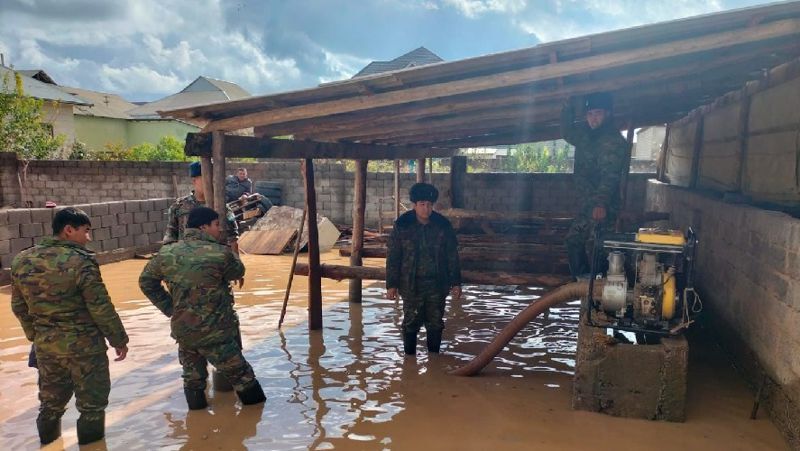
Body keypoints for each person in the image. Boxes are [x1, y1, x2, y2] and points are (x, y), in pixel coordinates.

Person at [11, 207, 129, 445]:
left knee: (50, 405)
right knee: (91, 407)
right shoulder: (82, 261)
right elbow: (100, 307)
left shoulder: (22, 260)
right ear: (68, 230)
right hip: (85, 349)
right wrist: (119, 340)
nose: (88, 238)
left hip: (47, 348)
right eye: (86, 231)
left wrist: (36, 335)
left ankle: (47, 444)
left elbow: (18, 306)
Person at [139, 207, 266, 409]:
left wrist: (171, 308)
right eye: (216, 225)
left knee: (193, 379)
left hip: (185, 332)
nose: (219, 230)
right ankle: (255, 423)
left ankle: (196, 424)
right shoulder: (220, 253)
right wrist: (230, 250)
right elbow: (238, 271)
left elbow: (146, 282)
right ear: (203, 227)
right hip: (216, 333)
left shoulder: (167, 253)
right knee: (243, 377)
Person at [560, 92, 630, 279]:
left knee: (599, 244)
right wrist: (567, 108)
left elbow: (611, 176)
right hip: (588, 203)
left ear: (608, 114)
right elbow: (567, 132)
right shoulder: (585, 135)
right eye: (590, 114)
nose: (593, 118)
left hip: (603, 205)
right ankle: (586, 283)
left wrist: (601, 203)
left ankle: (597, 288)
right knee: (577, 240)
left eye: (598, 113)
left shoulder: (613, 142)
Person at [386, 183, 462, 356]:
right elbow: (393, 257)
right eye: (422, 204)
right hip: (411, 284)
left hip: (437, 284)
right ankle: (409, 360)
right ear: (414, 205)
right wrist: (392, 285)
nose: (426, 209)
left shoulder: (443, 225)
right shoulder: (403, 225)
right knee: (410, 322)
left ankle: (433, 360)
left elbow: (452, 256)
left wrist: (456, 282)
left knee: (435, 323)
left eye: (429, 204)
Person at [164, 161, 239, 253]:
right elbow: (170, 239)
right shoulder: (178, 207)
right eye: (206, 178)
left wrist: (234, 263)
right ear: (194, 181)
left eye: (213, 179)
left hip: (215, 261)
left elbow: (233, 240)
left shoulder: (223, 208)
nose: (211, 182)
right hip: (187, 261)